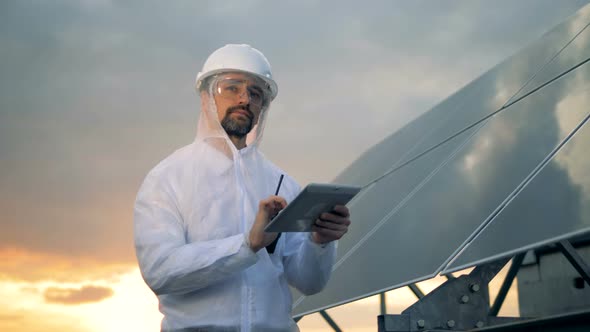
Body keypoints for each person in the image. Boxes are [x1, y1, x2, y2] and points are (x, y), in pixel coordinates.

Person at [134, 44, 352, 332]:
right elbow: (159, 271)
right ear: (205, 97)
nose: (244, 99)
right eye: (231, 88)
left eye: (255, 93)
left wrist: (320, 241)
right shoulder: (167, 179)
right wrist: (247, 244)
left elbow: (310, 283)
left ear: (263, 106)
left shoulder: (282, 183)